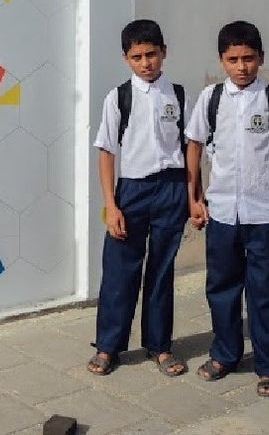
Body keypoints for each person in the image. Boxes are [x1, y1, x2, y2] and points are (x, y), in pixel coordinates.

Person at [87, 19, 188, 377]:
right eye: (137, 56)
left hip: (172, 189)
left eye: (151, 54)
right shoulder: (119, 97)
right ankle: (108, 346)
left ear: (164, 52)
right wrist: (111, 206)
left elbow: (190, 147)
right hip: (132, 191)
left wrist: (193, 195)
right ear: (126, 58)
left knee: (161, 270)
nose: (146, 63)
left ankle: (159, 346)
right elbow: (105, 152)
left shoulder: (178, 94)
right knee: (119, 271)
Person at [186, 20, 269, 397]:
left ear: (261, 59)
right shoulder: (211, 98)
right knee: (221, 286)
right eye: (233, 59)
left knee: (263, 291)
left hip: (263, 215)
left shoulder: (267, 100)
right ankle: (225, 354)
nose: (241, 67)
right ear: (221, 60)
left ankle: (266, 364)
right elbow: (194, 146)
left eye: (248, 59)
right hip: (221, 213)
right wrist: (195, 198)